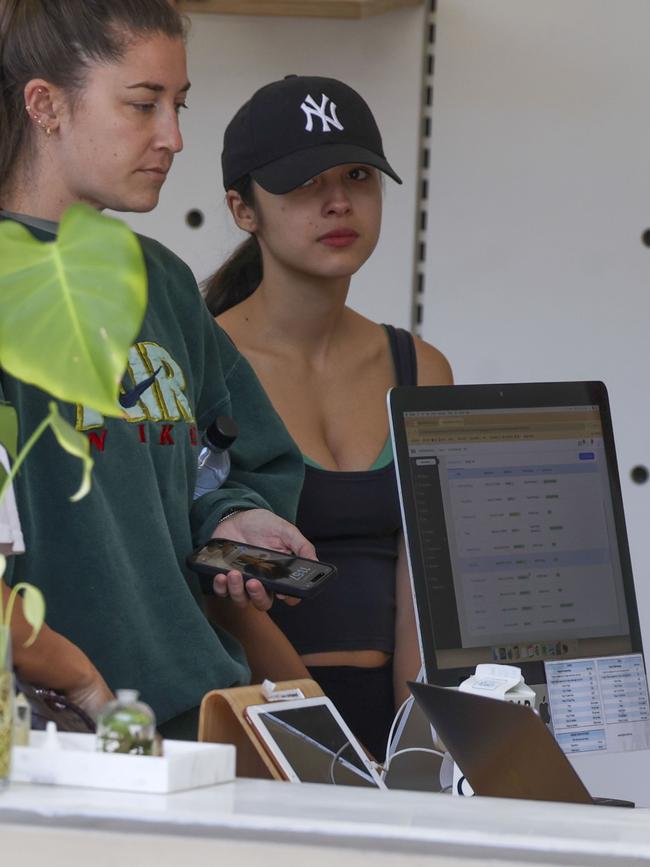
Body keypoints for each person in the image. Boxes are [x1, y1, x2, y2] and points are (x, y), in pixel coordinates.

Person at [0, 0, 312, 739]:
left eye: (179, 105)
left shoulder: (163, 283)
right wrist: (77, 681)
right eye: (142, 105)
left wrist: (235, 516)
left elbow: (229, 460)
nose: (172, 137)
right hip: (55, 730)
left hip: (191, 711)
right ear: (44, 104)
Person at [205, 75, 453, 759]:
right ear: (242, 208)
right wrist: (324, 743)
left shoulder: (419, 367)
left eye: (357, 175)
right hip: (255, 717)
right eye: (304, 181)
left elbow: (424, 574)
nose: (338, 200)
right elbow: (212, 584)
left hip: (398, 721)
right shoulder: (197, 361)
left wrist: (415, 742)